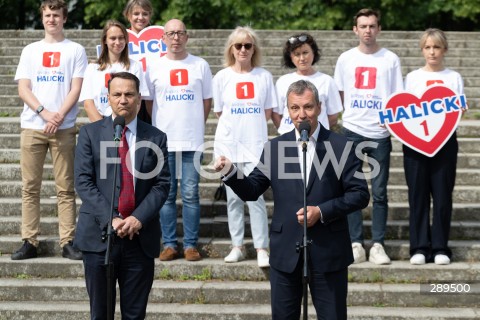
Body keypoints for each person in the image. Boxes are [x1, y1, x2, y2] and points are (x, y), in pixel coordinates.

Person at [215, 80, 370, 319]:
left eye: (308, 107)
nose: (301, 115)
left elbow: (360, 195)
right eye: (294, 108)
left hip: (329, 251)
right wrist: (230, 172)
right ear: (287, 110)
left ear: (319, 106)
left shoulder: (342, 146)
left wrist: (322, 211)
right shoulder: (275, 147)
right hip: (286, 251)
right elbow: (252, 189)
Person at [74, 72, 170, 319]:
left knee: (135, 314)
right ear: (108, 98)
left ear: (139, 99)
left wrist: (138, 218)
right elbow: (83, 182)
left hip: (140, 239)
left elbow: (162, 185)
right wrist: (112, 218)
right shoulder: (90, 134)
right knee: (100, 314)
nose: (123, 100)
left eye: (129, 94)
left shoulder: (156, 137)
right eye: (117, 94)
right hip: (100, 238)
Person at [11, 0, 87, 261]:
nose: (52, 19)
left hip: (64, 127)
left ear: (64, 19)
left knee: (65, 187)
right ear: (42, 18)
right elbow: (23, 89)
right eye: (47, 15)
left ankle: (68, 240)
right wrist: (44, 113)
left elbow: (76, 88)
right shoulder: (30, 50)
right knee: (30, 187)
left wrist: (58, 116)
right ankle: (29, 240)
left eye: (56, 15)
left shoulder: (75, 50)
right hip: (33, 125)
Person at [333, 8, 403, 265]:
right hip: (351, 130)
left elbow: (398, 98)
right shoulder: (345, 59)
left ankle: (378, 244)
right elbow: (338, 94)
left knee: (381, 192)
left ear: (379, 29)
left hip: (380, 133)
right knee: (352, 190)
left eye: (372, 26)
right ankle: (355, 243)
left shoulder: (390, 59)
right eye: (363, 26)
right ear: (355, 30)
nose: (368, 30)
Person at [145, 18, 213, 261]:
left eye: (180, 33)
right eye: (171, 33)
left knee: (191, 193)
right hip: (164, 141)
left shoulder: (200, 65)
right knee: (166, 193)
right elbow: (150, 103)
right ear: (163, 38)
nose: (175, 38)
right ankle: (170, 244)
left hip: (192, 140)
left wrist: (194, 124)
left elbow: (207, 101)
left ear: (186, 37)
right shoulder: (154, 66)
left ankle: (191, 245)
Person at [213, 26, 276, 267]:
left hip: (256, 145)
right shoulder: (221, 77)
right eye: (238, 45)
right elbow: (220, 111)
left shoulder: (264, 76)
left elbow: (268, 112)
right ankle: (237, 245)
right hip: (229, 145)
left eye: (247, 45)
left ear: (254, 49)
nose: (243, 49)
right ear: (231, 49)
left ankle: (262, 247)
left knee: (256, 198)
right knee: (233, 198)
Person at [404, 29, 466, 266]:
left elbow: (456, 110)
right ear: (422, 50)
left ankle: (440, 247)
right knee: (417, 195)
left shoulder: (454, 77)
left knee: (442, 196)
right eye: (428, 47)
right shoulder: (412, 78)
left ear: (444, 50)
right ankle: (419, 247)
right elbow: (404, 110)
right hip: (415, 143)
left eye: (436, 47)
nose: (432, 52)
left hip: (445, 142)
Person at [79, 20, 149, 122]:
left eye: (121, 38)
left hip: (127, 123)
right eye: (113, 38)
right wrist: (104, 129)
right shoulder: (93, 68)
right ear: (105, 41)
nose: (117, 42)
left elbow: (138, 102)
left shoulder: (135, 67)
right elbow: (88, 104)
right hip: (100, 123)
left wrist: (124, 127)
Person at [272, 33, 342, 134]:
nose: (302, 58)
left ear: (313, 53)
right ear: (291, 57)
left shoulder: (327, 81)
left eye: (305, 52)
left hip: (318, 140)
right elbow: (276, 114)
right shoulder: (282, 81)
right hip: (288, 140)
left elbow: (333, 116)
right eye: (297, 54)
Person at [122, 0, 154, 124]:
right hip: (128, 95)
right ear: (128, 15)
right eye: (136, 14)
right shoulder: (120, 38)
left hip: (152, 97)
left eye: (145, 14)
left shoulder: (160, 39)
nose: (140, 18)